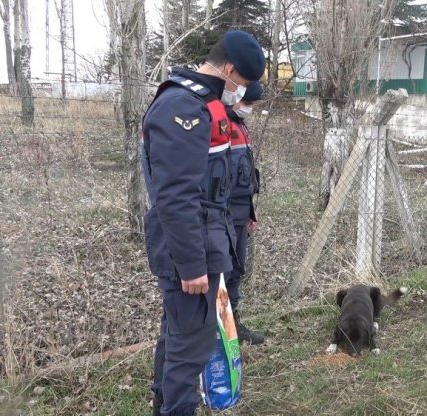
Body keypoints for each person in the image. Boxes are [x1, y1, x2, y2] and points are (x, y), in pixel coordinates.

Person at [141, 30, 265, 416]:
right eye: (241, 84)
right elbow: (176, 197)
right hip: (189, 251)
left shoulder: (202, 103)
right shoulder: (182, 106)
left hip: (206, 242)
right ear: (229, 70)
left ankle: (165, 404)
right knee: (189, 348)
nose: (240, 94)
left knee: (179, 335)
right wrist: (193, 264)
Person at [225, 80, 264, 344]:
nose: (248, 108)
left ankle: (233, 326)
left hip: (240, 212)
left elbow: (245, 176)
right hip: (224, 216)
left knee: (237, 271)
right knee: (223, 273)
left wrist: (250, 212)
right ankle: (220, 332)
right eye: (247, 103)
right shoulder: (218, 122)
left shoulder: (239, 124)